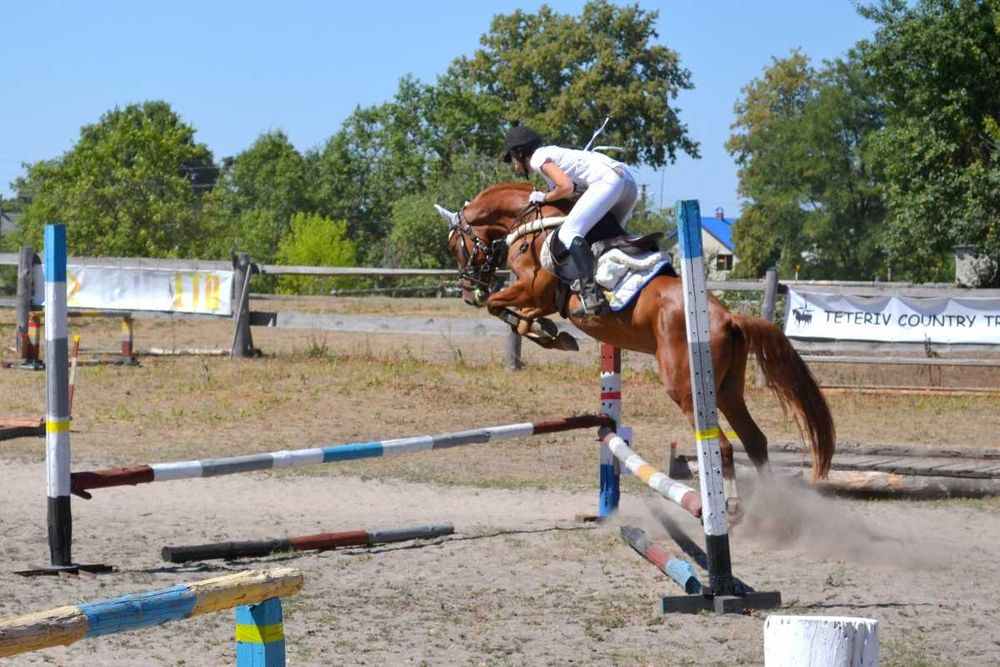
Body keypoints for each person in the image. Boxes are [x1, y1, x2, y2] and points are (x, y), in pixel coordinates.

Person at [500, 125, 638, 318]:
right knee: (609, 236)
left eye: (512, 160)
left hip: (608, 182)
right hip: (627, 183)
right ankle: (620, 285)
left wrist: (544, 197)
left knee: (568, 233)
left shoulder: (538, 159)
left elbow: (566, 187)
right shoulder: (553, 153)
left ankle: (591, 296)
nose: (513, 167)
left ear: (520, 153)